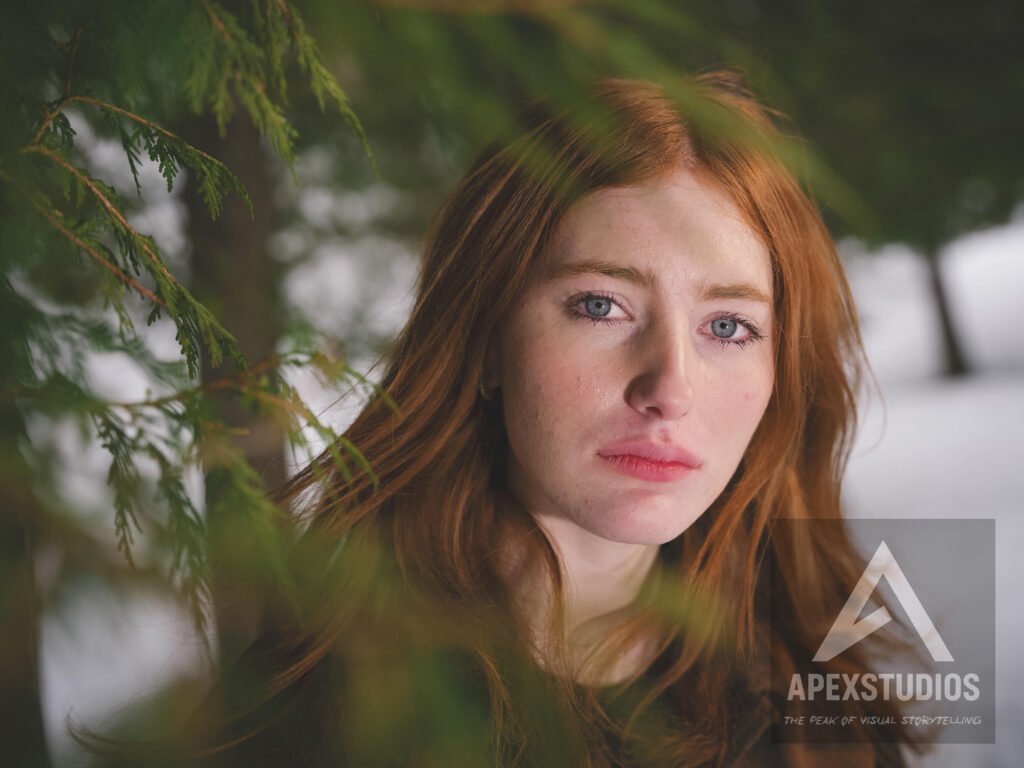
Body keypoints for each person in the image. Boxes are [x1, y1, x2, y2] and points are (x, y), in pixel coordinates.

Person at [180, 72, 920, 768]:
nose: (669, 389)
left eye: (728, 327)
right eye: (600, 306)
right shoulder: (312, 721)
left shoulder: (816, 686)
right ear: (487, 338)